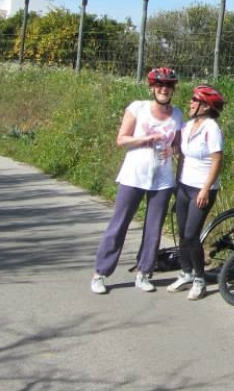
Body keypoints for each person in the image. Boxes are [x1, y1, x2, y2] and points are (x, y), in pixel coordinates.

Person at [91, 67, 184, 294]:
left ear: (173, 90)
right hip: (134, 175)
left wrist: (173, 150)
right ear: (152, 87)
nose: (164, 89)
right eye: (160, 85)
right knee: (119, 224)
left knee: (154, 228)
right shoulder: (138, 108)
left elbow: (179, 145)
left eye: (169, 85)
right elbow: (121, 140)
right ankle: (100, 273)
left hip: (162, 179)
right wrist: (146, 139)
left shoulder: (178, 114)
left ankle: (144, 273)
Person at [167, 84, 225, 300]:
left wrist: (205, 189)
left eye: (195, 99)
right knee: (182, 233)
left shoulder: (211, 128)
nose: (190, 102)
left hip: (202, 189)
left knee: (192, 235)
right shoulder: (188, 125)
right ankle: (186, 272)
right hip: (183, 185)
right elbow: (182, 155)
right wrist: (176, 182)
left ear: (205, 106)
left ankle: (199, 279)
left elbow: (217, 160)